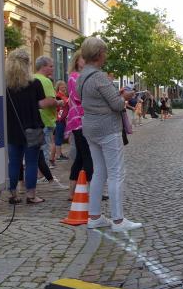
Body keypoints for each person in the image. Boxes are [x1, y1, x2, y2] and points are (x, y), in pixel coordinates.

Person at [77, 37, 142, 232]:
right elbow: (116, 104)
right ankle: (118, 220)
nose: (106, 56)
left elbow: (93, 99)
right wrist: (125, 97)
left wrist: (116, 95)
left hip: (90, 128)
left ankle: (94, 216)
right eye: (104, 52)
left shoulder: (81, 76)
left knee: (99, 172)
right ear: (99, 54)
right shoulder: (99, 77)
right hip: (107, 129)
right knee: (116, 173)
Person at [5, 49, 46, 204]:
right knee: (31, 162)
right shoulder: (35, 83)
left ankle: (13, 194)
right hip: (33, 127)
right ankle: (31, 195)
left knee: (14, 162)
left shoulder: (5, 85)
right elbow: (41, 104)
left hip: (12, 128)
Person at [66, 50, 94, 200]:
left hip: (81, 120)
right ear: (77, 61)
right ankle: (91, 191)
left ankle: (72, 192)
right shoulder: (75, 77)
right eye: (83, 58)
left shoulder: (79, 76)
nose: (85, 61)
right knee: (88, 156)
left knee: (80, 158)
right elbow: (80, 97)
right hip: (80, 121)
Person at [51, 80, 69, 164]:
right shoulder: (58, 96)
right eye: (62, 86)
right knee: (58, 137)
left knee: (58, 138)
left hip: (61, 119)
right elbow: (59, 107)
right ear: (58, 87)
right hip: (59, 120)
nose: (64, 87)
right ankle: (58, 156)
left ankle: (55, 157)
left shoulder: (64, 95)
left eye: (64, 86)